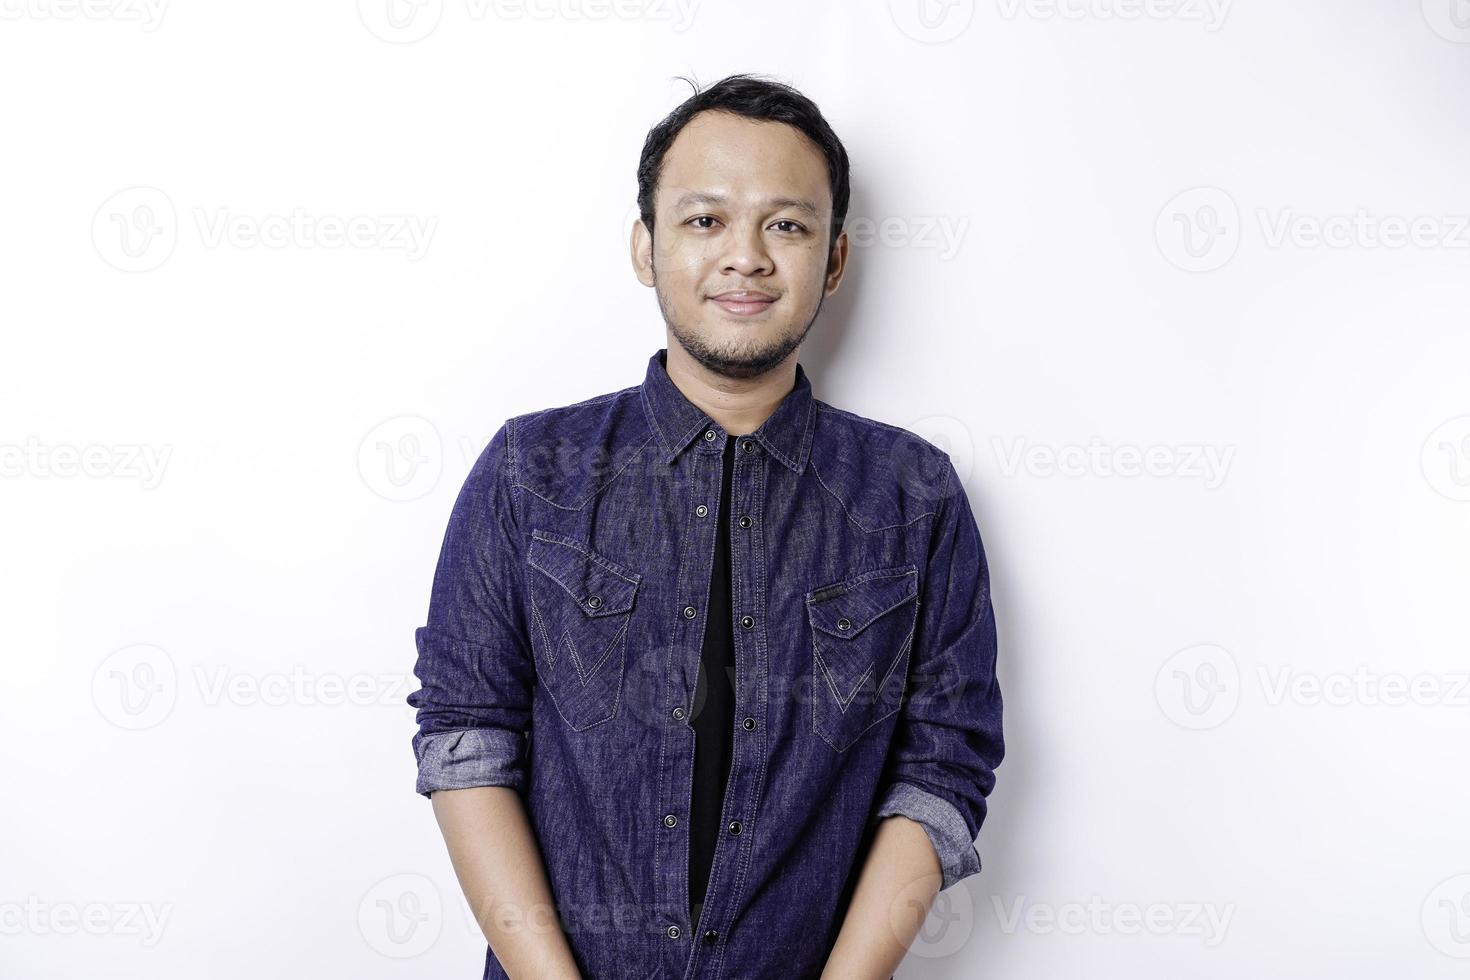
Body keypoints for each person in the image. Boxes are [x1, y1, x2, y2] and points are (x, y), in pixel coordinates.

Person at [408, 72, 1004, 980]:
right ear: (645, 247)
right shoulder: (531, 472)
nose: (747, 256)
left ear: (834, 259)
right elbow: (466, 739)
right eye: (704, 220)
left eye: (787, 224)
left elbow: (941, 769)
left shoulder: (914, 496)